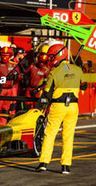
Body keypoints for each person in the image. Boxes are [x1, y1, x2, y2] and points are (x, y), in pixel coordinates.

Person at [35, 44, 87, 175]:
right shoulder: (78, 69)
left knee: (50, 134)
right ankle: (65, 166)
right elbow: (84, 86)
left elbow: (47, 93)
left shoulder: (54, 72)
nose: (50, 59)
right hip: (73, 107)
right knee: (68, 136)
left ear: (58, 55)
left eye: (52, 57)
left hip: (58, 106)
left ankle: (44, 163)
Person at [0, 47, 22, 123]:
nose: (5, 57)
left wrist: (14, 77)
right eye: (3, 55)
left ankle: (2, 125)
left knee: (5, 110)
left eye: (7, 55)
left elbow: (20, 77)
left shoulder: (14, 65)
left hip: (9, 90)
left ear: (10, 56)